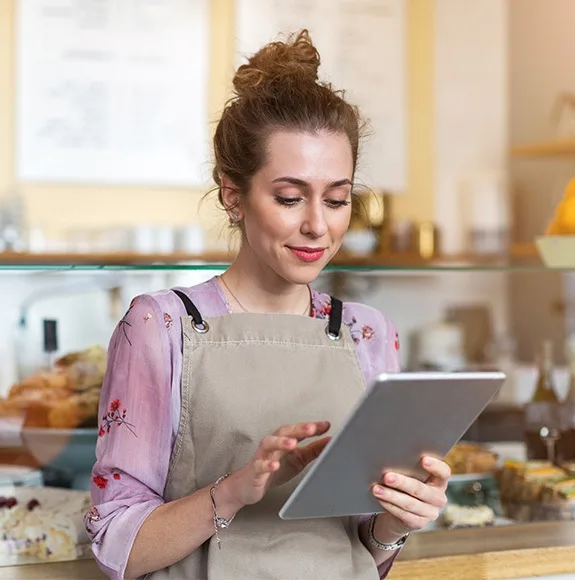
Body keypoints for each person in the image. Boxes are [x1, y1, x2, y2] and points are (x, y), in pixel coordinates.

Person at [85, 29, 450, 580]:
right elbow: (117, 545)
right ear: (233, 194)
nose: (317, 226)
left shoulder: (370, 334)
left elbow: (359, 551)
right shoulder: (160, 327)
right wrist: (232, 492)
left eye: (337, 199)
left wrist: (394, 524)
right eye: (289, 197)